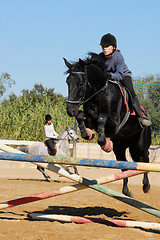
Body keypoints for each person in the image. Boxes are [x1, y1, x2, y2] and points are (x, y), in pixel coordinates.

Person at [99, 33, 151, 127]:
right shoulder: (100, 57)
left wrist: (108, 75)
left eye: (107, 46)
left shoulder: (118, 56)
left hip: (123, 76)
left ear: (114, 47)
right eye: (103, 46)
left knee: (130, 91)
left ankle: (141, 116)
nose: (104, 48)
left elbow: (119, 75)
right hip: (108, 77)